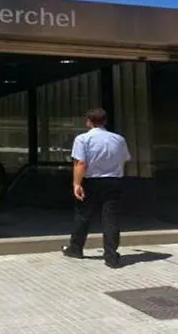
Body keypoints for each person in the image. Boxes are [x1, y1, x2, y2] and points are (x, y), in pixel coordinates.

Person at [62, 108, 131, 268]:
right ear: (105, 121)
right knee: (111, 218)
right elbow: (125, 158)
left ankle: (76, 248)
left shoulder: (83, 139)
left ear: (88, 122)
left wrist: (77, 183)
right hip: (113, 180)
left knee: (83, 215)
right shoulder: (119, 139)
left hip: (91, 181)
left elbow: (80, 163)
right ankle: (111, 255)